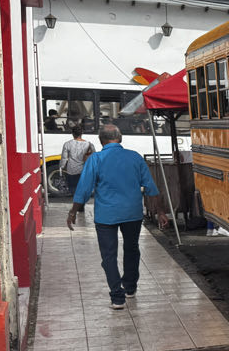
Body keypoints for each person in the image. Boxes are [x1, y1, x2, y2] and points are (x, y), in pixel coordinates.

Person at [67, 125, 169, 309]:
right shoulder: (135, 157)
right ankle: (130, 287)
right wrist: (161, 212)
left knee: (108, 255)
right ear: (120, 138)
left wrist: (73, 211)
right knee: (132, 249)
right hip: (132, 213)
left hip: (106, 216)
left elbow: (84, 188)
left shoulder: (96, 159)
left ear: (101, 141)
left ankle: (117, 297)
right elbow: (151, 187)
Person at [58, 126, 94, 199]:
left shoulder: (67, 144)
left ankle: (76, 200)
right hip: (84, 169)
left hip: (71, 170)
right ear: (82, 133)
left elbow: (64, 158)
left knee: (73, 188)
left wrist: (62, 167)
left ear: (72, 133)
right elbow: (93, 157)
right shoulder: (89, 144)